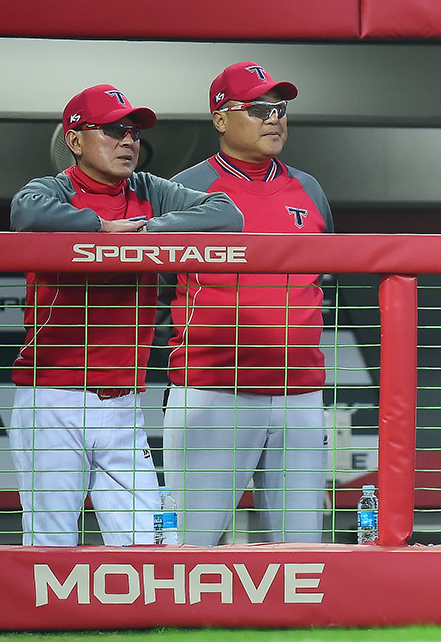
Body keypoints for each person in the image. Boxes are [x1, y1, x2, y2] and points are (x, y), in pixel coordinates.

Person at [8, 84, 243, 546]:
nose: (128, 140)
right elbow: (25, 213)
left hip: (123, 402)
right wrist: (101, 229)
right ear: (75, 140)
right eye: (114, 130)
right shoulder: (54, 189)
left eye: (133, 131)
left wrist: (147, 232)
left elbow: (226, 213)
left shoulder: (148, 190)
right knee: (51, 548)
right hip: (52, 398)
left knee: (145, 547)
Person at [159, 62, 334, 545]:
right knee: (192, 545)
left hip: (299, 391)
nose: (273, 118)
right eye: (257, 108)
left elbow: (321, 278)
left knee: (303, 549)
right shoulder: (184, 188)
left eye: (280, 108)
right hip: (215, 388)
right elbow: (158, 284)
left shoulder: (309, 188)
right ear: (220, 118)